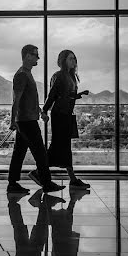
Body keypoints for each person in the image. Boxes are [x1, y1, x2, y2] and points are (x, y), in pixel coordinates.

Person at [8, 44, 64, 194]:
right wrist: (12, 121)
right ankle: (46, 183)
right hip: (26, 122)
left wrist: (41, 112)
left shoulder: (27, 73)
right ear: (27, 56)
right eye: (35, 55)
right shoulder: (21, 75)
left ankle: (12, 184)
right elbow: (16, 100)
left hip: (27, 120)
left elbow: (30, 99)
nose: (38, 58)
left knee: (19, 153)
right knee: (40, 153)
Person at [41, 50, 91, 189]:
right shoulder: (59, 76)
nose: (73, 60)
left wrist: (79, 94)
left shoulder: (71, 76)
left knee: (62, 147)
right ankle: (69, 178)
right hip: (59, 115)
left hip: (66, 115)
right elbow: (52, 95)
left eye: (74, 58)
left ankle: (71, 178)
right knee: (60, 146)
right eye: (70, 58)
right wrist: (44, 110)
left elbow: (67, 95)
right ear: (63, 60)